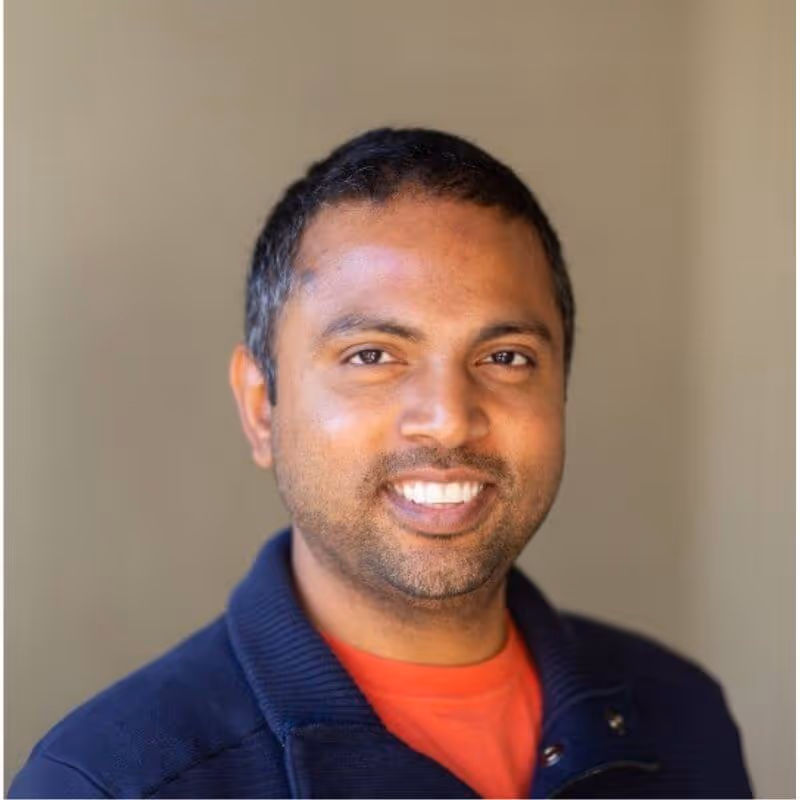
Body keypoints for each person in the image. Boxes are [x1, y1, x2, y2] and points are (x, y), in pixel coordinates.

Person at [10, 128, 752, 799]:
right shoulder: (110, 784)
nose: (449, 417)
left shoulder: (683, 720)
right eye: (372, 356)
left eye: (505, 357)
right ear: (262, 406)